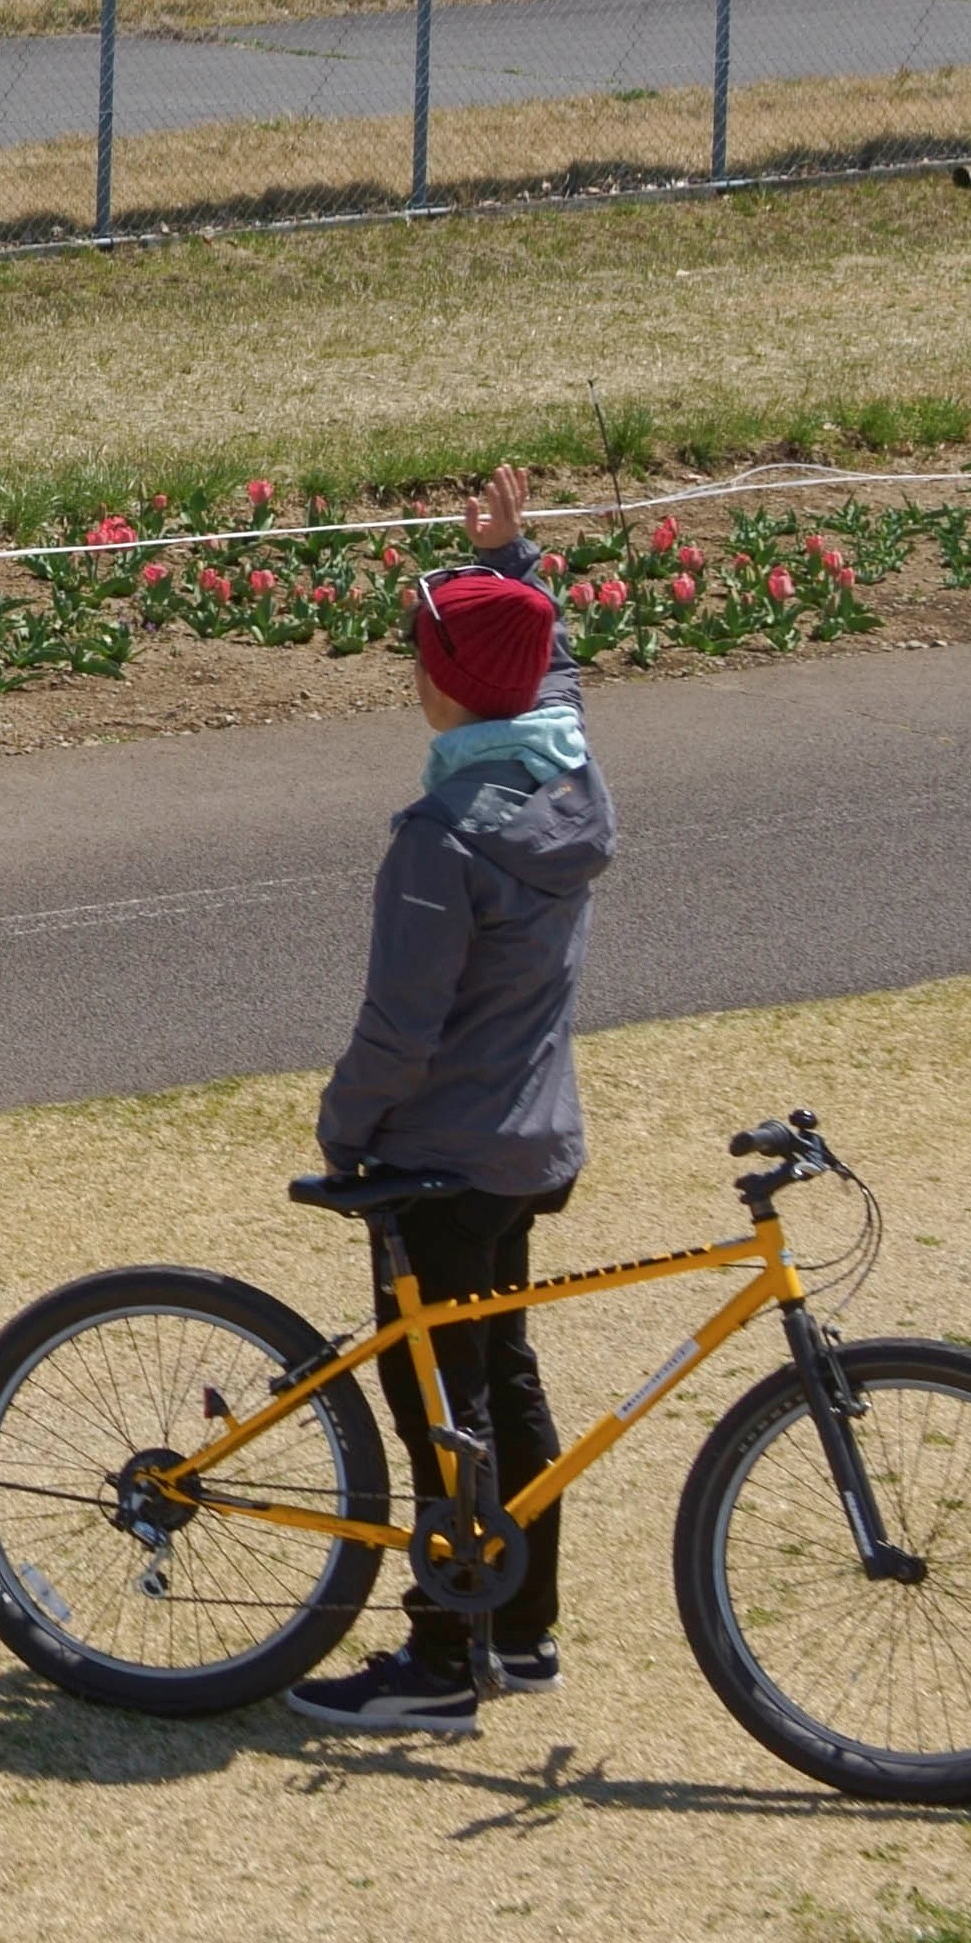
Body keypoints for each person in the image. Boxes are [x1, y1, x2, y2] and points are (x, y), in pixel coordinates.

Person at [287, 497, 616, 1737]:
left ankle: (439, 1657)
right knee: (506, 1377)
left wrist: (344, 1131)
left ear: (442, 689)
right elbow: (555, 676)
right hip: (533, 1145)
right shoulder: (568, 783)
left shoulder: (440, 840)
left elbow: (399, 1028)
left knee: (444, 1407)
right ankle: (520, 1630)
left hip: (437, 1158)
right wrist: (511, 568)